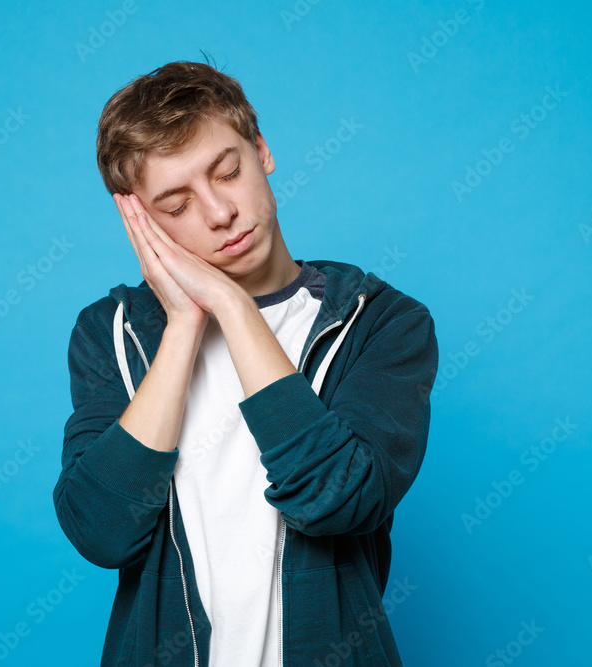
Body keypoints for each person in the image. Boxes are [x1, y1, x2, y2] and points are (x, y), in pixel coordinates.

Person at [52, 58, 439, 667]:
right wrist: (184, 324)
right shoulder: (114, 333)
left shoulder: (380, 322)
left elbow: (339, 498)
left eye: (226, 172)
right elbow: (101, 529)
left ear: (261, 150)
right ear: (141, 221)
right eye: (176, 206)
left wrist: (233, 306)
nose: (218, 213)